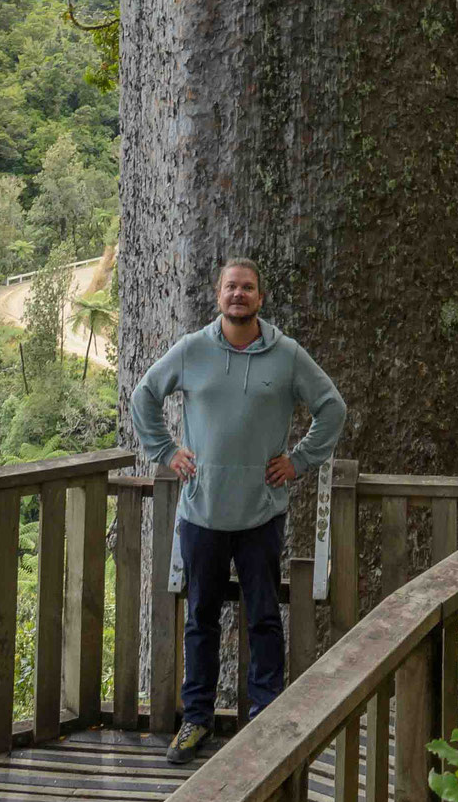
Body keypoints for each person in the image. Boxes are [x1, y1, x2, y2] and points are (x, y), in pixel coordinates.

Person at [130, 256, 347, 764]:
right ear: (218, 294)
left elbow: (331, 407)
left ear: (260, 297)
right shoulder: (193, 349)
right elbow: (144, 395)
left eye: (247, 288)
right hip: (202, 514)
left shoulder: (287, 355)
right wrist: (165, 451)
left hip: (260, 514)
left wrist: (298, 461)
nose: (238, 295)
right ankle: (197, 720)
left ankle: (266, 719)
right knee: (200, 619)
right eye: (231, 287)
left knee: (265, 618)